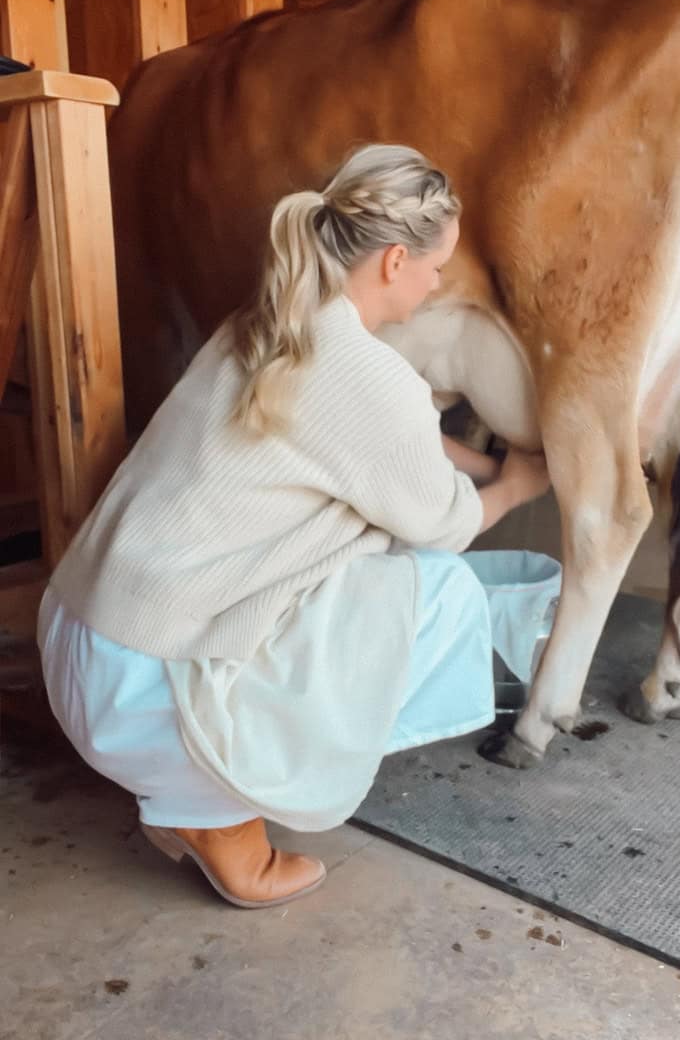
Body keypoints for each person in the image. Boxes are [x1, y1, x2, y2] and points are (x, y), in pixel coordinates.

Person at [37, 143, 556, 910]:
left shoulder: (273, 319)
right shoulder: (370, 378)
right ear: (391, 262)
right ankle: (213, 809)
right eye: (436, 264)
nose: (439, 281)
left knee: (347, 548)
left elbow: (382, 437)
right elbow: (444, 521)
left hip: (79, 638)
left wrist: (480, 462)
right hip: (144, 687)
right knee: (440, 589)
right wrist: (514, 484)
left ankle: (176, 786)